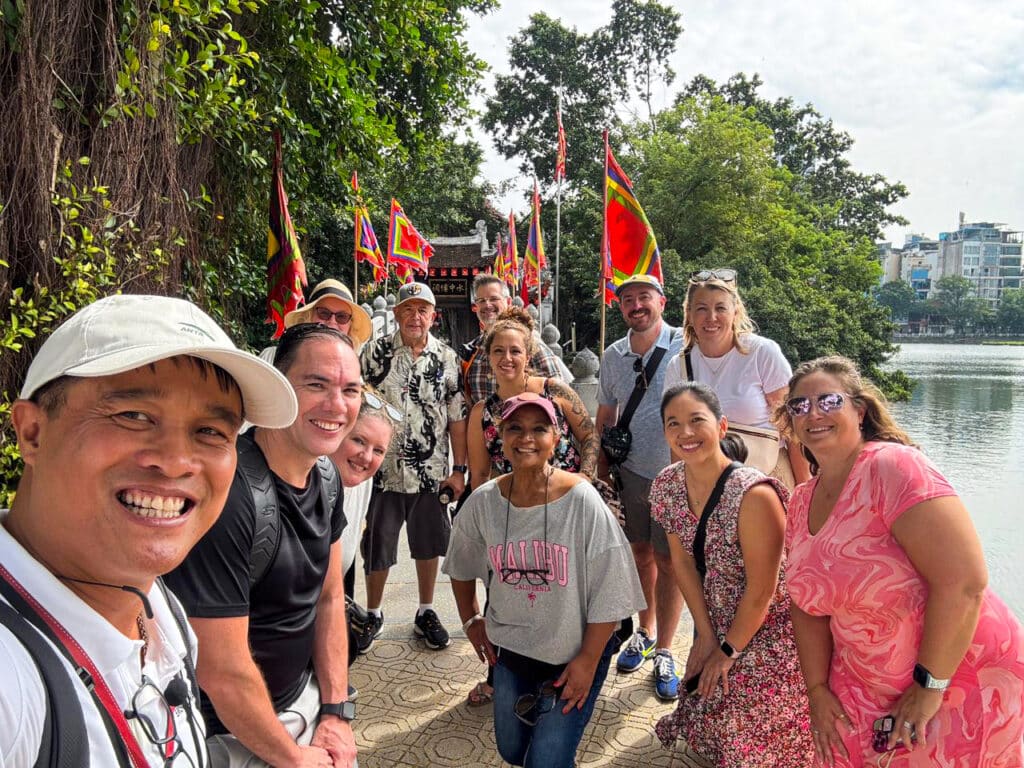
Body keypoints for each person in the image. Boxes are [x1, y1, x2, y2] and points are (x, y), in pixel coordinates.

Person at [1, 293, 297, 766]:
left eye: (210, 431)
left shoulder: (156, 605)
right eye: (133, 416)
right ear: (32, 432)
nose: (176, 462)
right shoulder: (12, 689)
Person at [778, 355, 1024, 767]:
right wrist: (816, 689)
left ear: (859, 411)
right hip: (862, 681)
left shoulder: (891, 467)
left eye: (829, 401)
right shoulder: (801, 500)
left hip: (955, 676)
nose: (813, 413)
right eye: (799, 406)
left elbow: (964, 582)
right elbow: (807, 605)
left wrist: (929, 686)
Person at [164, 323, 362, 768]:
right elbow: (221, 671)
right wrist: (293, 757)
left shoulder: (326, 476)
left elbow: (330, 597)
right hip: (226, 729)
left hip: (304, 702)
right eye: (316, 385)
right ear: (279, 386)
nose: (337, 405)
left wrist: (336, 712)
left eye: (350, 390)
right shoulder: (231, 494)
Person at [444, 393, 645, 768]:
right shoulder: (484, 502)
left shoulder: (582, 501)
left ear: (556, 439)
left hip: (575, 651)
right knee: (512, 750)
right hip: (512, 649)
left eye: (539, 429)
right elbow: (460, 563)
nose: (526, 439)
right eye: (515, 428)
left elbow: (614, 589)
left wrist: (588, 660)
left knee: (546, 760)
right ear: (500, 436)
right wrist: (471, 619)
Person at [650, 383, 814, 767]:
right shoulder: (668, 485)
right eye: (673, 423)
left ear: (722, 426)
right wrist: (705, 635)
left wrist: (726, 651)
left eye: (697, 421)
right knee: (708, 689)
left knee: (739, 700)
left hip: (772, 625)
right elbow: (682, 564)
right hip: (719, 614)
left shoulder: (754, 494)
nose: (685, 433)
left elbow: (763, 590)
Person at [463, 307, 597, 706]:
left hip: (567, 506)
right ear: (488, 357)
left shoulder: (554, 392)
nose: (507, 358)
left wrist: (584, 480)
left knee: (572, 589)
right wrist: (486, 524)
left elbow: (589, 437)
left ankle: (580, 665)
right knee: (509, 590)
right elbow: (480, 475)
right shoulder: (481, 413)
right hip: (514, 514)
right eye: (498, 351)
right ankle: (500, 672)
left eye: (515, 351)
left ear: (528, 354)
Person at [357, 281, 468, 653]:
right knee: (377, 543)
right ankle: (372, 612)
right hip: (380, 471)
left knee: (428, 543)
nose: (415, 316)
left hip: (430, 472)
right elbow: (355, 405)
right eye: (408, 309)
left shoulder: (447, 358)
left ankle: (425, 610)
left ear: (433, 316)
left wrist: (459, 469)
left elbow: (457, 417)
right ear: (396, 314)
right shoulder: (374, 353)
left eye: (422, 310)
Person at [595, 273, 685, 700]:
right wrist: (601, 469)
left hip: (677, 472)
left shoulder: (685, 345)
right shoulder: (614, 355)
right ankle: (644, 632)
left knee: (670, 560)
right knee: (641, 553)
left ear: (661, 302)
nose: (636, 305)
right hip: (631, 470)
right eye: (627, 299)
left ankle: (666, 649)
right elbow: (605, 415)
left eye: (644, 297)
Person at [664, 268, 809, 488]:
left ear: (735, 312)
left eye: (720, 308)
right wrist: (679, 489)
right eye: (702, 309)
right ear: (689, 314)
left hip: (767, 475)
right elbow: (676, 436)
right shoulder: (679, 366)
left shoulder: (762, 353)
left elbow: (792, 427)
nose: (711, 317)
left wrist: (804, 490)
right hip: (708, 483)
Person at [460, 273, 569, 406]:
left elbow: (559, 395)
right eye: (481, 300)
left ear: (508, 302)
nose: (487, 305)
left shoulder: (529, 341)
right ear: (475, 306)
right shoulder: (472, 350)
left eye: (494, 299)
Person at [285, 278, 373, 349]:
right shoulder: (288, 358)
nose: (332, 322)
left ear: (350, 326)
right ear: (308, 317)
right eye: (324, 313)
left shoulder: (356, 364)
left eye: (342, 317)